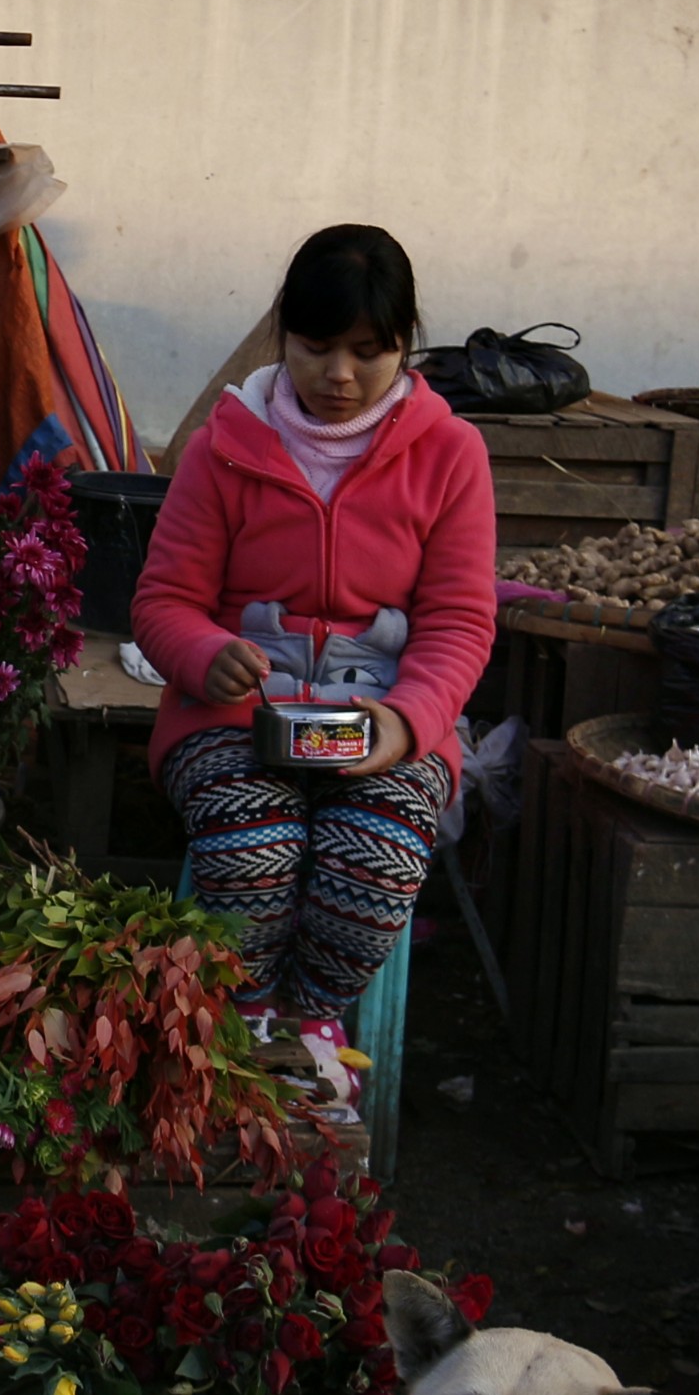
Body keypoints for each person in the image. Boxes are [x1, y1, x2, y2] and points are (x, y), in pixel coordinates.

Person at [130, 224, 496, 1092]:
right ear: (281, 334)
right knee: (253, 847)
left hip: (384, 722)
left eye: (369, 352)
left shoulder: (451, 455)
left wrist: (406, 721)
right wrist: (206, 653)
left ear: (406, 345)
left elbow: (459, 622)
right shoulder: (226, 444)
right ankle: (244, 1019)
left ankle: (308, 1023)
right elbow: (161, 602)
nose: (339, 375)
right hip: (232, 719)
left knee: (374, 855)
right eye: (316, 346)